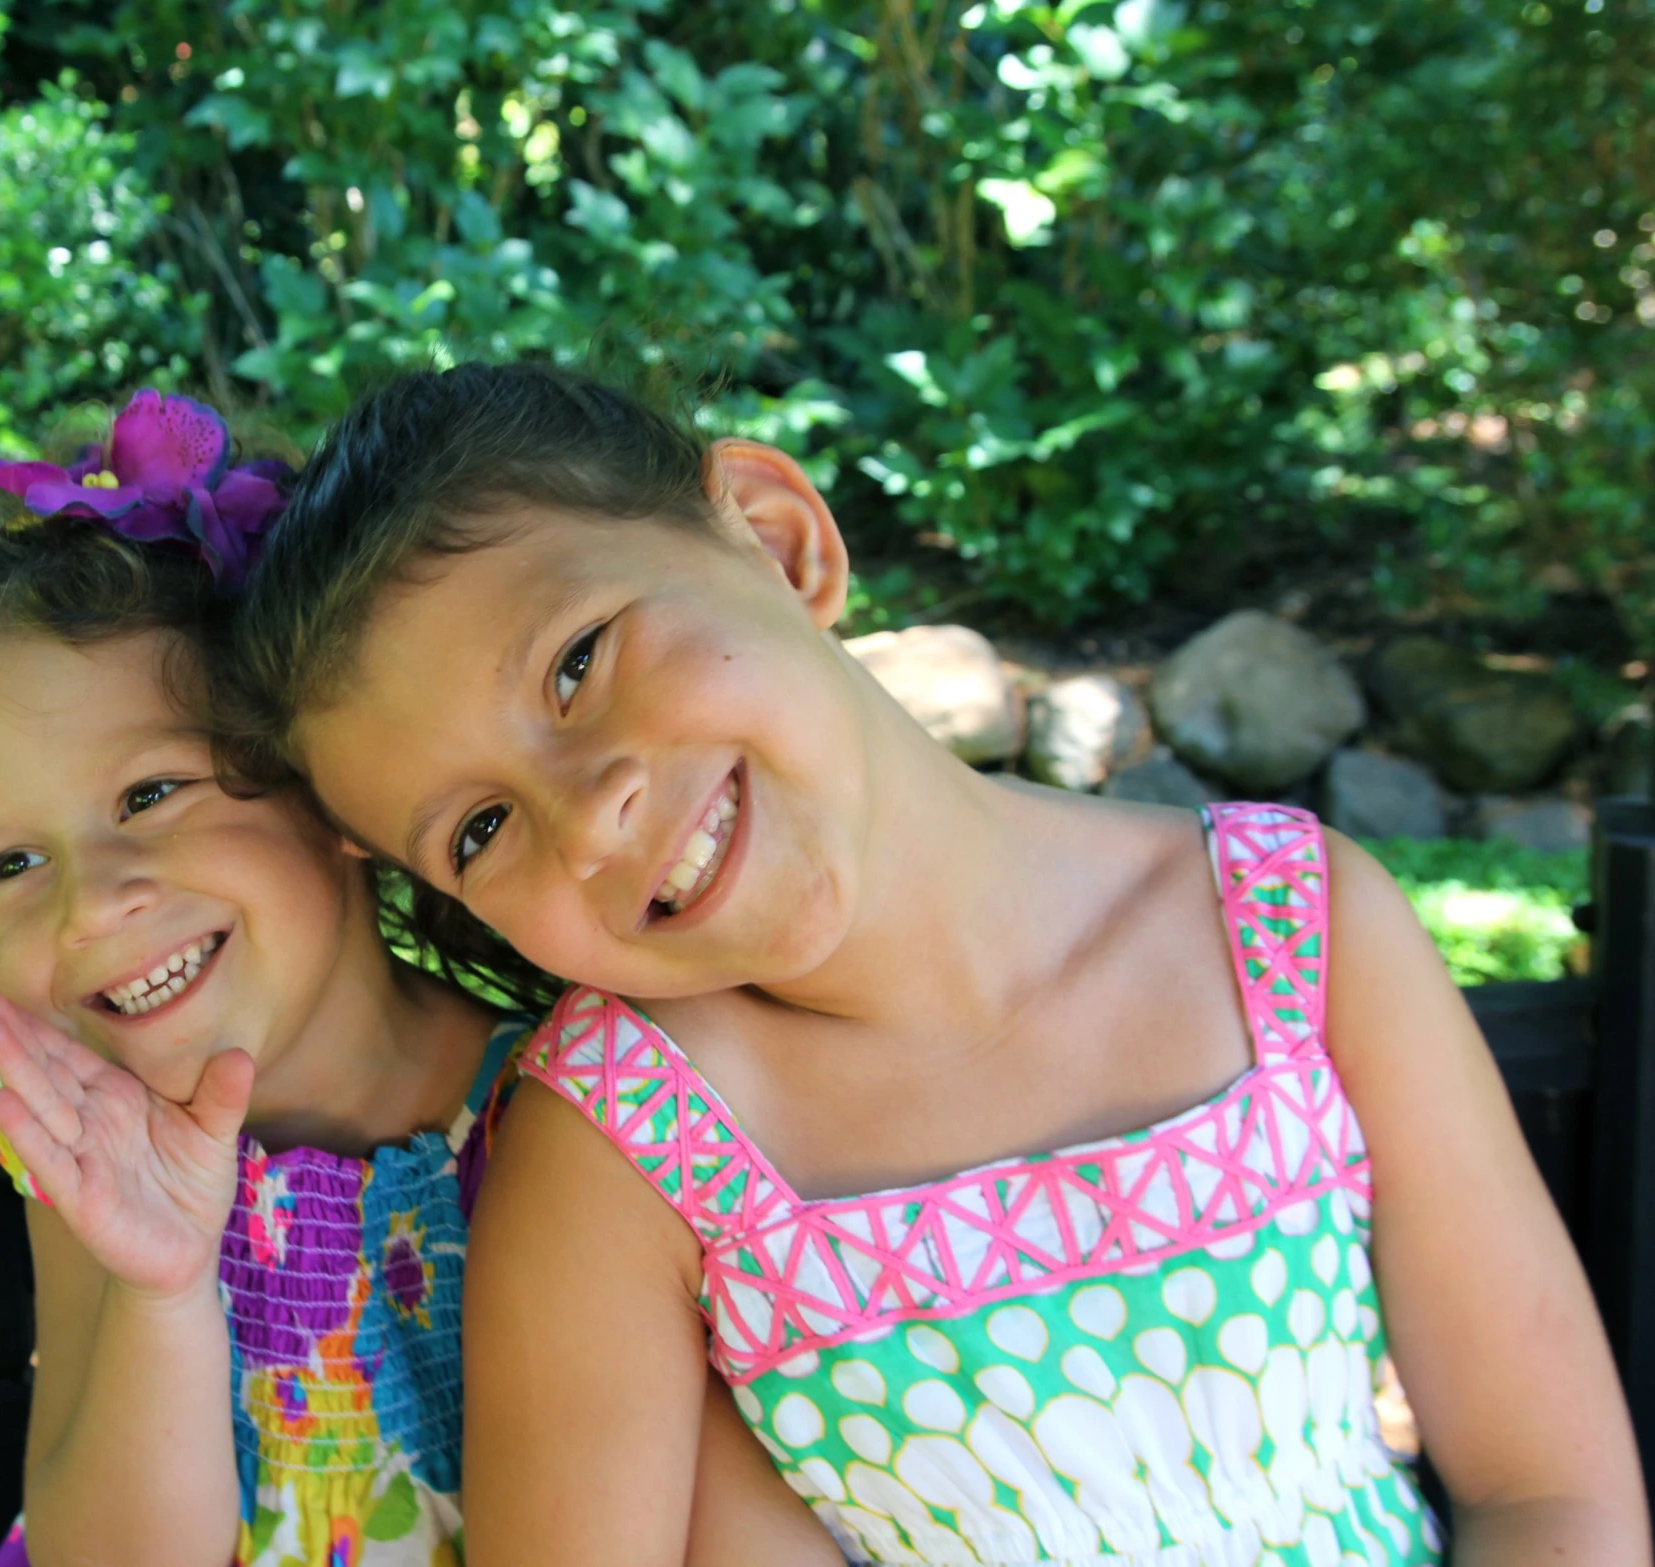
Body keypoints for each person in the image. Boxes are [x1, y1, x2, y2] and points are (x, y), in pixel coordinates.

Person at [223, 362, 1650, 1565]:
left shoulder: (1290, 924)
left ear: (777, 541)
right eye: (476, 828)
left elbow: (1551, 1489)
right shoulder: (624, 1151)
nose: (583, 810)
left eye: (576, 661)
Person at [0, 389, 845, 1567]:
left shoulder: (588, 1104)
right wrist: (161, 1293)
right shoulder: (94, 1128)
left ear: (327, 795)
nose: (91, 899)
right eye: (10, 862)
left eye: (150, 795)